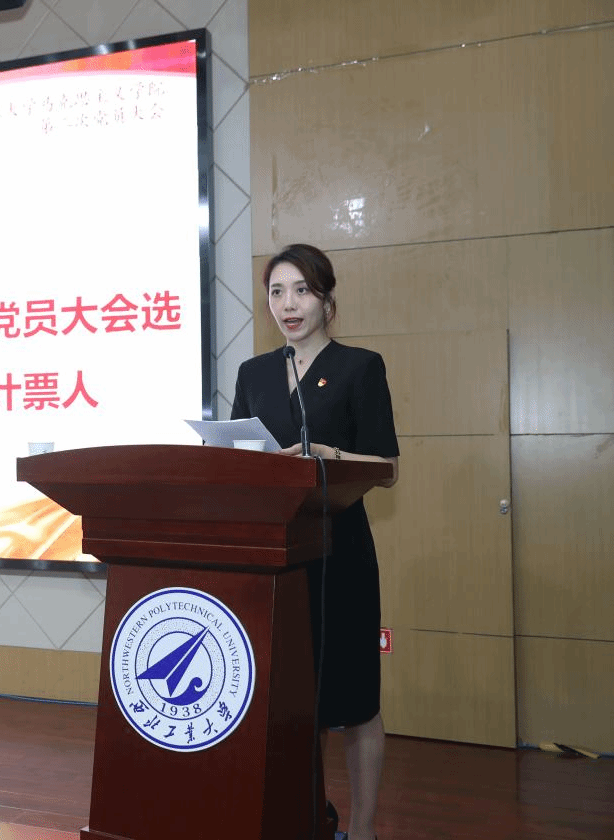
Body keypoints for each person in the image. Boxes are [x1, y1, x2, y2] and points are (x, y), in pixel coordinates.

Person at [230, 243, 399, 840]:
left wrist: (329, 454)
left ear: (327, 300)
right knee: (294, 705)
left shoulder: (360, 367)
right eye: (277, 292)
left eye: (301, 290)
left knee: (355, 701)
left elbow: (387, 469)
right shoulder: (254, 374)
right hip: (279, 559)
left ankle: (364, 829)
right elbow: (241, 458)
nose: (288, 304)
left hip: (341, 553)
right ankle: (308, 818)